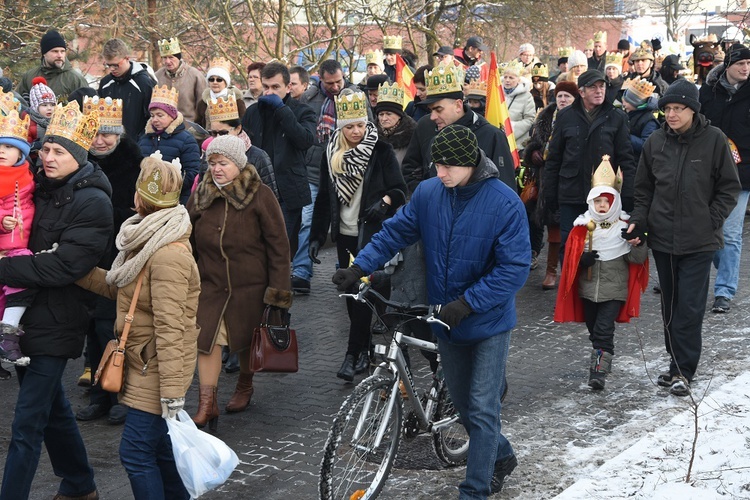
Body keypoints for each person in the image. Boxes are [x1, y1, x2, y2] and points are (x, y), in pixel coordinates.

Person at [332, 124, 529, 498]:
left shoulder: (505, 202)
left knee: (484, 409)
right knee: (466, 410)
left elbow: (514, 268)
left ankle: (474, 491)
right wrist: (360, 267)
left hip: (488, 321)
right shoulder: (428, 193)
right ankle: (500, 456)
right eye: (436, 165)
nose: (440, 173)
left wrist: (469, 302)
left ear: (471, 163)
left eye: (448, 167)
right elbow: (394, 233)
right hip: (446, 319)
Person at [0, 101, 112, 500]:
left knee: (26, 424)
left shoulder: (93, 202)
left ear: (78, 157)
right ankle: (80, 483)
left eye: (58, 151)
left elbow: (63, 267)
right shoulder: (39, 187)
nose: (47, 157)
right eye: (45, 148)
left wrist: (3, 269)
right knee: (53, 411)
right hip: (26, 313)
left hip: (59, 319)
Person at [76, 153, 199, 500]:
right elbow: (119, 286)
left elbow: (173, 327)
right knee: (158, 453)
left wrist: (173, 393)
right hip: (144, 363)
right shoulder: (146, 239)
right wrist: (74, 268)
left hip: (155, 370)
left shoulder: (167, 254)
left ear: (140, 197)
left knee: (134, 453)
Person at [626, 79, 740, 396]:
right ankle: (676, 363)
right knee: (671, 306)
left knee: (689, 307)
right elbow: (644, 190)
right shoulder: (656, 142)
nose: (672, 114)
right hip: (663, 238)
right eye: (668, 109)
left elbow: (729, 188)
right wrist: (639, 221)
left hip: (700, 240)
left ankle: (683, 371)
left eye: (678, 109)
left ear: (693, 110)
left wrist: (711, 218)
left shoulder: (715, 140)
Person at [188, 134, 292, 424]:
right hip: (210, 286)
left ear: (238, 163)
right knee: (206, 341)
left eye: (223, 163)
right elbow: (187, 239)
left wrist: (279, 292)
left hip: (250, 287)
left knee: (245, 341)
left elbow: (279, 247)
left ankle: (245, 385)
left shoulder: (260, 195)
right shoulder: (201, 195)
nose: (217, 169)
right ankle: (207, 403)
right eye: (212, 163)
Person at [309, 90, 407, 381]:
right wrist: (316, 235)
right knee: (351, 297)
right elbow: (325, 196)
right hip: (345, 235)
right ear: (340, 126)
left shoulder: (380, 150)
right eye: (350, 126)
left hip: (372, 234)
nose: (356, 132)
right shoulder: (331, 151)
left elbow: (400, 189)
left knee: (361, 294)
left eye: (361, 125)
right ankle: (362, 348)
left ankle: (353, 355)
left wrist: (385, 203)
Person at [75, 96, 142, 426]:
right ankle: (100, 394)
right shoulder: (78, 161)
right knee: (91, 328)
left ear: (120, 136)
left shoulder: (134, 165)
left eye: (108, 135)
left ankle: (120, 394)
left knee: (112, 328)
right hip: (84, 257)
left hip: (118, 258)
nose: (101, 140)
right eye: (96, 134)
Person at [554, 157, 648, 389]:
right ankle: (602, 356)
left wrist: (638, 243)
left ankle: (598, 372)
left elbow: (637, 260)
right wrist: (580, 261)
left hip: (614, 291)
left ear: (615, 202)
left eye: (607, 201)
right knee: (594, 330)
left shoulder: (623, 228)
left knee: (604, 330)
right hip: (588, 291)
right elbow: (567, 262)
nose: (602, 205)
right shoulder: (582, 228)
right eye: (598, 201)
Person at [543, 69, 636, 258]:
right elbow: (554, 158)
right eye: (593, 87)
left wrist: (628, 195)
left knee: (601, 246)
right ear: (581, 91)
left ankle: (593, 288)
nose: (599, 91)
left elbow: (626, 159)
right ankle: (569, 286)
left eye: (601, 86)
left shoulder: (617, 117)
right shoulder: (565, 116)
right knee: (570, 245)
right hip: (572, 192)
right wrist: (550, 193)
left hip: (604, 195)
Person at [298, 59, 363, 295]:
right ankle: (302, 272)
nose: (335, 87)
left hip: (347, 171)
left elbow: (368, 130)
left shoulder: (356, 96)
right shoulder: (309, 99)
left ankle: (345, 269)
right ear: (321, 79)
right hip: (315, 168)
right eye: (330, 83)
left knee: (348, 221)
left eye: (338, 81)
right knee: (307, 220)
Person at [402, 64, 516, 192]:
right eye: (431, 110)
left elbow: (505, 191)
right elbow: (410, 169)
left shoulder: (492, 136)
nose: (433, 116)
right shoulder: (425, 125)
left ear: (458, 105)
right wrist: (427, 197)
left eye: (438, 109)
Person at [241, 62, 316, 257]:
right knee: (256, 247)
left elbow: (305, 140)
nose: (269, 92)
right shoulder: (252, 112)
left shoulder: (302, 111)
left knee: (280, 247)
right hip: (256, 190)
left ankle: (281, 286)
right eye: (266, 87)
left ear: (288, 87)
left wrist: (282, 110)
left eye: (275, 87)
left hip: (287, 191)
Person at [700, 44, 750, 314]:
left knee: (730, 234)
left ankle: (724, 291)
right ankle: (723, 270)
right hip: (709, 171)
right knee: (709, 228)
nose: (745, 68)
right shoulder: (709, 91)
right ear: (728, 66)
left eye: (749, 64)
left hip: (743, 175)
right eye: (741, 64)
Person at [523, 80, 579, 290]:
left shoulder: (579, 118)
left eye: (567, 96)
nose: (563, 100)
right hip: (545, 180)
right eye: (560, 96)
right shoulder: (546, 116)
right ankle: (551, 271)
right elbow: (533, 143)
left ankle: (567, 273)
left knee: (566, 230)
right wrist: (533, 153)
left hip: (569, 179)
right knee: (550, 226)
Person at [0, 103, 35, 369]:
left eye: (9, 147)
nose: (2, 151)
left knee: (20, 280)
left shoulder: (29, 180)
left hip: (16, 248)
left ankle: (8, 333)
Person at [138, 85, 201, 204]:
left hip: (174, 200)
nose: (154, 119)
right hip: (147, 200)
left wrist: (168, 184)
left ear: (172, 116)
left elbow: (192, 173)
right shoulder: (144, 139)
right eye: (152, 115)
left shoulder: (187, 140)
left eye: (160, 115)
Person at [98, 38, 155, 140]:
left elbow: (152, 118)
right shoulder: (105, 83)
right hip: (110, 145)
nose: (111, 69)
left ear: (127, 58)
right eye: (108, 65)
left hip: (137, 145)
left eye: (116, 65)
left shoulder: (143, 83)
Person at [16, 30, 89, 101]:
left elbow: (89, 109)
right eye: (55, 51)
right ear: (44, 53)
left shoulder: (75, 80)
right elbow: (16, 103)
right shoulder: (30, 76)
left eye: (62, 51)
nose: (59, 55)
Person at [154, 37, 206, 123]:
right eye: (164, 57)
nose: (167, 61)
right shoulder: (157, 77)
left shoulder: (195, 75)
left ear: (178, 57)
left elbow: (202, 106)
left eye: (171, 57)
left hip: (189, 128)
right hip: (163, 130)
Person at [195, 57, 245, 129]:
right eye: (211, 79)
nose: (215, 82)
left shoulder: (237, 101)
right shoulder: (203, 102)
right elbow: (198, 123)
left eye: (219, 79)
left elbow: (243, 123)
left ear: (225, 82)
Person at [375, 82, 417, 165]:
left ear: (399, 115)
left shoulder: (413, 135)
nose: (384, 118)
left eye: (389, 114)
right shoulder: (370, 136)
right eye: (381, 114)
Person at [501, 62, 536, 151]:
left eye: (511, 77)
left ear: (518, 80)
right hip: (499, 140)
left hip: (517, 144)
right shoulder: (498, 94)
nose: (507, 80)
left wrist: (511, 128)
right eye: (505, 77)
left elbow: (530, 119)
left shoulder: (526, 96)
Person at [621, 78, 659, 158]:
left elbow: (646, 145)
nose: (623, 103)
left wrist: (625, 135)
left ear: (635, 103)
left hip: (638, 163)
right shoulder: (627, 114)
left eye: (627, 101)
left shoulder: (649, 121)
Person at [26, 77, 56, 154]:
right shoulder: (29, 123)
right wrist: (34, 146)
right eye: (44, 105)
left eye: (52, 105)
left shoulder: (58, 121)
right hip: (35, 160)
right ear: (35, 107)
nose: (49, 108)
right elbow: (25, 146)